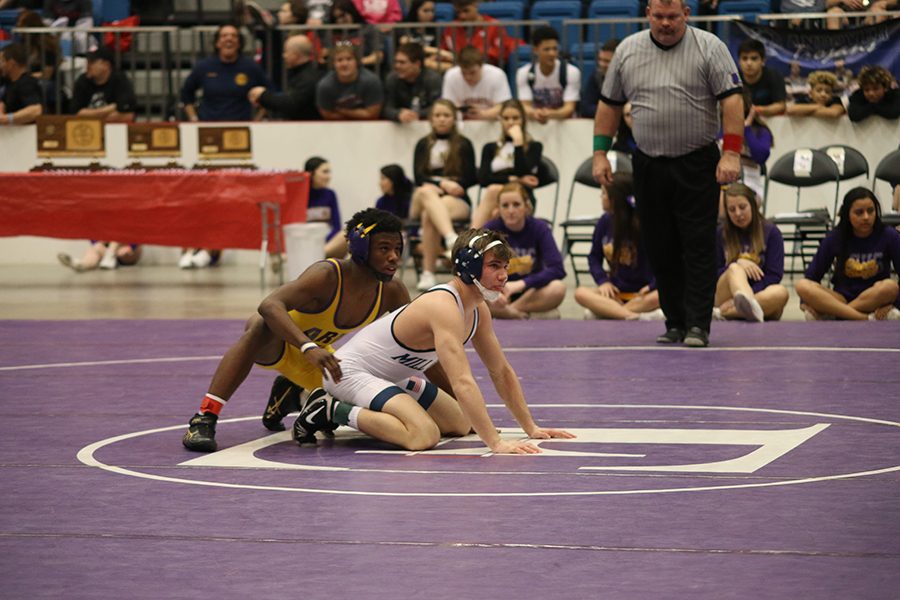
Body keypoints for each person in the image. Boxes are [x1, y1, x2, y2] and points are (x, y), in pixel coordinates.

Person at [290, 228, 574, 454]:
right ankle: (328, 409)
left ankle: (355, 407)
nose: (504, 275)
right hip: (349, 373)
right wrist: (495, 444)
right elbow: (462, 381)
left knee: (462, 423)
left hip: (388, 376)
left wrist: (530, 427)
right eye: (494, 266)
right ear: (469, 266)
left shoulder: (478, 311)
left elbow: (501, 371)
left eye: (505, 266)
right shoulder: (443, 305)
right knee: (423, 435)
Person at [182, 208, 441, 452]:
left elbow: (419, 346)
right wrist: (308, 346)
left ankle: (292, 394)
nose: (394, 257)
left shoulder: (392, 291)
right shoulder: (327, 275)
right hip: (283, 346)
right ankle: (204, 417)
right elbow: (269, 305)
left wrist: (460, 406)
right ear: (361, 247)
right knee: (259, 326)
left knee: (369, 403)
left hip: (322, 361)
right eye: (384, 248)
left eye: (397, 248)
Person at [592, 0, 743, 348]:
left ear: (686, 14)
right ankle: (674, 321)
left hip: (696, 161)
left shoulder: (710, 47)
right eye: (659, 17)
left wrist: (732, 152)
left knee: (698, 244)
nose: (665, 24)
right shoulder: (628, 51)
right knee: (660, 244)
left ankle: (698, 325)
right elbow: (609, 104)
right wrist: (599, 154)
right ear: (647, 14)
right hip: (648, 162)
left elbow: (732, 101)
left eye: (673, 17)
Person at [795, 187, 900, 321]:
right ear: (847, 214)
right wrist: (805, 303)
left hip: (876, 298)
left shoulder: (889, 235)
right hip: (841, 298)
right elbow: (811, 276)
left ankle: (835, 314)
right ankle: (864, 318)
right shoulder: (835, 237)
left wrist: (895, 303)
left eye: (870, 211)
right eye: (859, 212)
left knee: (890, 286)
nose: (866, 217)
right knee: (802, 285)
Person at [574, 172, 662, 321]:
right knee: (580, 293)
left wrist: (653, 285)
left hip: (643, 294)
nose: (600, 198)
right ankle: (630, 315)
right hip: (616, 294)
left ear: (615, 199)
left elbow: (666, 261)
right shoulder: (604, 222)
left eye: (603, 194)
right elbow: (594, 258)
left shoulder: (645, 225)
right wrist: (603, 281)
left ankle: (612, 313)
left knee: (663, 295)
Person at [411, 99, 478, 290]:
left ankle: (428, 273)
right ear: (431, 119)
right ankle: (451, 238)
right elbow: (418, 177)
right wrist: (441, 182)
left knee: (429, 215)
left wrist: (455, 185)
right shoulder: (423, 144)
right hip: (423, 196)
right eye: (437, 115)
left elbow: (472, 176)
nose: (442, 120)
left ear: (454, 119)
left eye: (446, 115)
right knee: (425, 190)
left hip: (454, 197)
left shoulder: (464, 144)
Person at [482, 183, 565, 319]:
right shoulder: (490, 229)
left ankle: (510, 312)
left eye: (516, 204)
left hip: (529, 294)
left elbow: (557, 268)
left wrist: (521, 284)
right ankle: (514, 314)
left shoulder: (540, 228)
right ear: (498, 208)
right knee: (473, 291)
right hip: (497, 294)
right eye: (505, 205)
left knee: (558, 288)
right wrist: (492, 289)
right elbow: (474, 268)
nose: (511, 210)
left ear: (526, 206)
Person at [714, 184, 788, 322]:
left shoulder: (771, 232)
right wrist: (738, 264)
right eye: (732, 209)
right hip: (725, 293)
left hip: (760, 293)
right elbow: (712, 274)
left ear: (753, 205)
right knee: (734, 269)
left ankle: (728, 312)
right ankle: (748, 308)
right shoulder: (720, 233)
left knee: (781, 292)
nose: (738, 214)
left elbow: (774, 276)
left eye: (742, 207)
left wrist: (750, 294)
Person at [471, 99, 542, 228]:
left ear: (523, 120)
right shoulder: (490, 148)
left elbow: (524, 172)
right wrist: (513, 179)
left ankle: (469, 241)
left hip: (521, 201)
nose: (511, 122)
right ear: (500, 120)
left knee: (495, 190)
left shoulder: (534, 147)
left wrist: (518, 143)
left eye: (515, 118)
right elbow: (483, 179)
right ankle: (475, 242)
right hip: (495, 202)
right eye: (506, 118)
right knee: (495, 209)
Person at [180, 23, 270, 122]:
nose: (229, 39)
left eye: (234, 36)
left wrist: (257, 121)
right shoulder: (204, 66)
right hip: (208, 127)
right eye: (224, 36)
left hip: (240, 129)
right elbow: (186, 93)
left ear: (239, 43)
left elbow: (270, 93)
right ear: (217, 43)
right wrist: (193, 118)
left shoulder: (251, 67)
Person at [248, 34, 323, 120]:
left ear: (296, 55)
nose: (284, 56)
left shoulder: (308, 78)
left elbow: (290, 104)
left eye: (286, 52)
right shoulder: (302, 74)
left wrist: (263, 95)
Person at [514, 25, 581, 123]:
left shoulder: (571, 72)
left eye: (555, 49)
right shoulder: (523, 73)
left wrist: (549, 114)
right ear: (535, 50)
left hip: (564, 125)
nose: (552, 53)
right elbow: (524, 106)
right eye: (547, 49)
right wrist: (535, 113)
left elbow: (569, 108)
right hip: (536, 123)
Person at [440, 45, 511, 121]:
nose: (468, 77)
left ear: (481, 66)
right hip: (462, 124)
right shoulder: (451, 75)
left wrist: (483, 114)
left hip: (492, 124)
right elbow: (447, 107)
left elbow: (504, 107)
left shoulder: (497, 75)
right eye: (463, 73)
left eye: (472, 72)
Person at [315, 42, 384, 120]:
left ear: (356, 62)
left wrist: (342, 111)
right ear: (333, 64)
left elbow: (372, 114)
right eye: (339, 60)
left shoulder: (371, 81)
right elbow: (327, 115)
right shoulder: (325, 85)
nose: (344, 64)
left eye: (349, 59)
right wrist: (359, 113)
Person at [440, 0, 519, 67]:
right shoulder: (451, 28)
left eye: (466, 11)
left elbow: (501, 53)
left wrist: (476, 56)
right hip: (457, 69)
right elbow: (444, 51)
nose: (462, 16)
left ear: (476, 5)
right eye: (458, 12)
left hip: (487, 69)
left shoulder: (493, 26)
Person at [382, 41, 442, 123]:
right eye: (396, 62)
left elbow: (438, 107)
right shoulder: (392, 78)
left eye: (402, 62)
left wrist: (416, 114)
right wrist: (397, 114)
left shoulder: (432, 79)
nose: (397, 66)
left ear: (417, 64)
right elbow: (386, 108)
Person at [70, 48, 137, 122]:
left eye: (92, 62)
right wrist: (109, 109)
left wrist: (90, 115)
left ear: (106, 65)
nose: (88, 66)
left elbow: (128, 114)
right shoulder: (82, 80)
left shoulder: (119, 79)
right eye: (88, 62)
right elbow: (76, 113)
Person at [305, 156, 349, 258]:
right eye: (325, 172)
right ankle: (316, 255)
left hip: (327, 244)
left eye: (329, 172)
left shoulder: (330, 194)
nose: (328, 176)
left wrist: (324, 243)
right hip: (307, 242)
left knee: (347, 232)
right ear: (311, 174)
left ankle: (317, 255)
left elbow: (336, 225)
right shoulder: (301, 195)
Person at [324, 0, 384, 70]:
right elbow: (326, 54)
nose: (339, 21)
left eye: (342, 15)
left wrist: (355, 63)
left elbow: (378, 56)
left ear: (351, 12)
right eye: (336, 18)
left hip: (364, 70)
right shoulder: (332, 32)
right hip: (337, 72)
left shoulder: (369, 29)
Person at [399, 0, 454, 72]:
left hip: (430, 64)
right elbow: (403, 43)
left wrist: (432, 57)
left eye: (432, 11)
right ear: (415, 11)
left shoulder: (435, 29)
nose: (430, 14)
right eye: (426, 11)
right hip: (408, 62)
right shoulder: (404, 27)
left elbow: (437, 48)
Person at [737, 39, 786, 118]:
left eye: (754, 58)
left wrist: (757, 110)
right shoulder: (733, 78)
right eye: (744, 58)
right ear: (739, 61)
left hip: (768, 122)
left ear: (763, 61)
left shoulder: (774, 76)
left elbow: (781, 106)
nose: (749, 63)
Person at [0, 43, 43, 125]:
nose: (1, 65)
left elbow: (36, 110)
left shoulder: (27, 83)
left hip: (26, 132)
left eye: (2, 61)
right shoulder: (8, 81)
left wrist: (8, 118)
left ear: (11, 63)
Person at [580, 39, 618, 119]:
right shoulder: (596, 76)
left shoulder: (629, 78)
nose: (601, 64)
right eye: (600, 60)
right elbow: (586, 108)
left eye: (607, 61)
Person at [57, 242, 142, 272]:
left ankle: (111, 254)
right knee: (95, 248)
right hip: (106, 255)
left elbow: (138, 233)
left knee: (118, 233)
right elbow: (95, 239)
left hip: (127, 252)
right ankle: (82, 264)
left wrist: (131, 247)